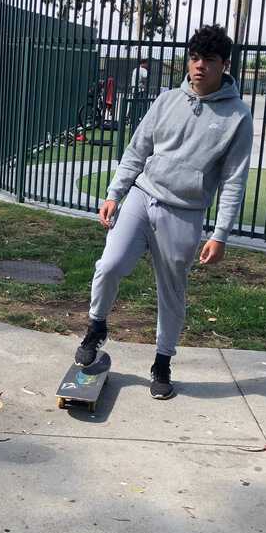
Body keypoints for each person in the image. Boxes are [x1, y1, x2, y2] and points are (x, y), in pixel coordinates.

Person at [74, 25, 254, 400]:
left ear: (224, 64)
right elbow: (137, 150)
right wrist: (114, 193)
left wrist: (220, 234)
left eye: (208, 59)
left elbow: (234, 180)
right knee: (109, 265)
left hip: (184, 213)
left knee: (172, 290)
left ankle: (162, 361)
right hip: (142, 196)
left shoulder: (237, 116)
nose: (199, 66)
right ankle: (96, 327)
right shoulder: (167, 100)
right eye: (194, 57)